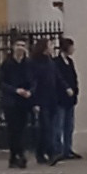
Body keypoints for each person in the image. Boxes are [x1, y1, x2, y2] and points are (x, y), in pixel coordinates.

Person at [0, 40, 35, 170]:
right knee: (13, 129)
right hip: (10, 102)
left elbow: (34, 81)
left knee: (22, 129)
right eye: (18, 45)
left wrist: (30, 92)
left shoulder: (28, 64)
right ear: (13, 47)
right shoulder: (7, 64)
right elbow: (0, 83)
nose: (20, 48)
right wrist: (15, 90)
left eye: (23, 46)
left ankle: (16, 156)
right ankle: (17, 155)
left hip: (24, 101)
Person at [28, 36, 65, 164]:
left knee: (49, 128)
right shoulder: (34, 63)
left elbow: (57, 77)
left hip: (52, 99)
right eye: (50, 45)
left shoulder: (50, 62)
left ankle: (40, 153)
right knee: (46, 127)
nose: (52, 47)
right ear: (44, 47)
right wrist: (34, 102)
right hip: (41, 99)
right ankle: (51, 153)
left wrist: (66, 88)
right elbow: (33, 82)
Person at [49, 37, 79, 160]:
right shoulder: (56, 62)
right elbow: (58, 79)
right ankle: (58, 150)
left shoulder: (70, 62)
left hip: (70, 99)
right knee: (59, 125)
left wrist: (75, 90)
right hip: (61, 98)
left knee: (69, 126)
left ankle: (68, 149)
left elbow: (74, 77)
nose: (73, 49)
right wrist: (66, 88)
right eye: (71, 47)